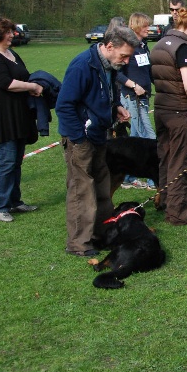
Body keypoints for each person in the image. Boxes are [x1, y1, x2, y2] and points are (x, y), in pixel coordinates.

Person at [56, 25, 139, 255]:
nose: (126, 61)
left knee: (102, 186)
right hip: (80, 140)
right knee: (81, 190)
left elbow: (105, 97)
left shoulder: (109, 65)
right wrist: (78, 138)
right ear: (109, 46)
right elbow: (64, 105)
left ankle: (102, 234)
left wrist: (116, 108)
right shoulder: (82, 65)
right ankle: (78, 244)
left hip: (100, 135)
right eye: (124, 55)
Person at [0, 16, 43, 223]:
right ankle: (1, 207)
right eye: (8, 32)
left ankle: (15, 201)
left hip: (18, 113)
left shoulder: (11, 53)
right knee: (6, 162)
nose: (12, 35)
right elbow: (6, 83)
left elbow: (23, 75)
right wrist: (32, 87)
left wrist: (36, 84)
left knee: (16, 162)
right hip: (1, 115)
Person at [151, 7, 187, 226]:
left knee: (165, 158)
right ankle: (179, 212)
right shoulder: (183, 48)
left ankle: (165, 199)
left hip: (161, 108)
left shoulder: (158, 44)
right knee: (181, 162)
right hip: (179, 111)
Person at [117, 12, 157, 189]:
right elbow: (116, 73)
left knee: (135, 137)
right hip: (131, 97)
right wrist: (134, 86)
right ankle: (150, 178)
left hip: (144, 97)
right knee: (146, 137)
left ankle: (126, 175)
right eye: (146, 26)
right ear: (137, 26)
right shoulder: (127, 47)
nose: (149, 28)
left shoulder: (143, 46)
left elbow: (147, 71)